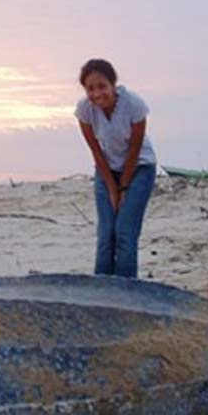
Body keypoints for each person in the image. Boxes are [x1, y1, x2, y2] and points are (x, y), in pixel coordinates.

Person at [74, 59, 157, 278]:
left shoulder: (134, 105)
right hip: (107, 170)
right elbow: (95, 151)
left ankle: (127, 292)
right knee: (106, 235)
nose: (97, 94)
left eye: (102, 86)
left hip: (139, 168)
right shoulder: (84, 110)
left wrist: (124, 188)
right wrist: (112, 188)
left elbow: (135, 148)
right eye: (90, 89)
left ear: (113, 84)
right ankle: (101, 290)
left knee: (124, 233)